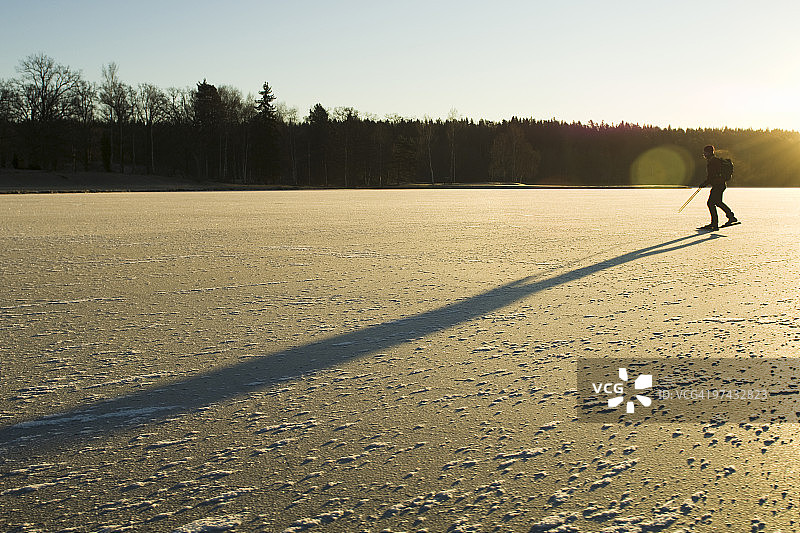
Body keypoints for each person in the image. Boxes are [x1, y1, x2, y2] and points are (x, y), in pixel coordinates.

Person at [699, 145, 737, 230]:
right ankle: (731, 217)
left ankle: (714, 223)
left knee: (711, 203)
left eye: (705, 152)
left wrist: (704, 183)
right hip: (720, 185)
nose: (704, 154)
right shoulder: (714, 161)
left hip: (718, 185)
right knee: (718, 202)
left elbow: (711, 176)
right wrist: (706, 183)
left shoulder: (713, 162)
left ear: (709, 152)